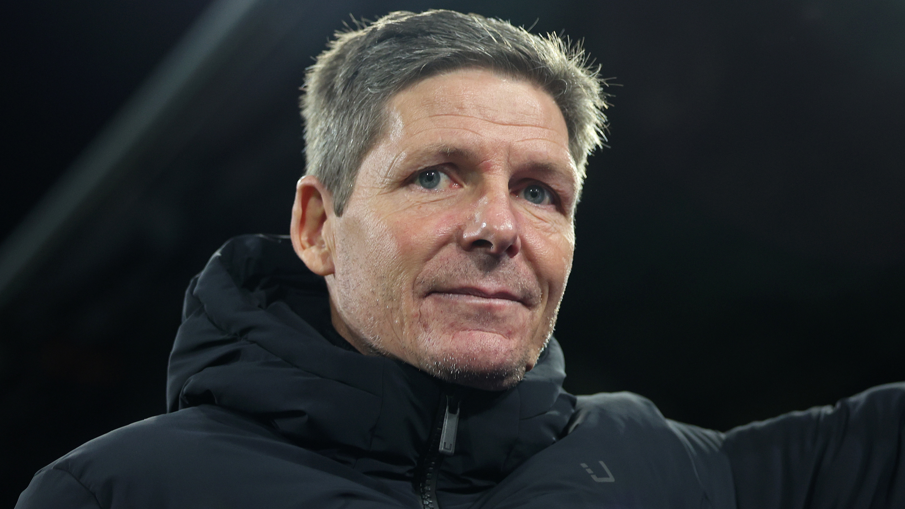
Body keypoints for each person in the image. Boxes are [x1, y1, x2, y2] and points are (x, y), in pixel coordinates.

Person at [17, 9, 904, 509]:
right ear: (317, 225)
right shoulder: (119, 491)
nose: (497, 227)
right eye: (435, 175)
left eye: (539, 191)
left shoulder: (683, 476)